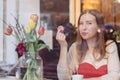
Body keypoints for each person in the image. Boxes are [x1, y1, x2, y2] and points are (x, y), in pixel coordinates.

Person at [56, 9, 120, 80]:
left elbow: (115, 76)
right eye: (81, 23)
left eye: (89, 23)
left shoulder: (110, 46)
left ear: (99, 26)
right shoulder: (75, 47)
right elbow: (63, 78)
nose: (84, 28)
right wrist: (63, 47)